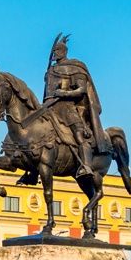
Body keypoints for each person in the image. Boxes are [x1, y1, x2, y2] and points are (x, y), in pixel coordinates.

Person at [42, 33, 110, 177]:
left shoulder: (75, 68)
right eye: (53, 51)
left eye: (57, 51)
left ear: (63, 52)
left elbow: (82, 89)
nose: (54, 54)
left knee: (79, 136)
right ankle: (32, 171)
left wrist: (64, 94)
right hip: (48, 108)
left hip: (67, 108)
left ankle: (86, 166)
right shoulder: (51, 70)